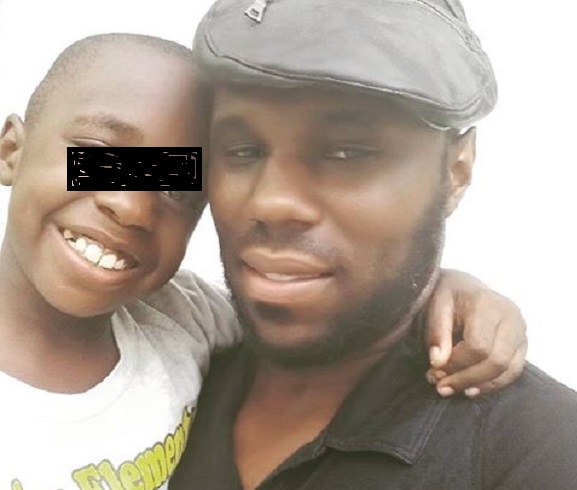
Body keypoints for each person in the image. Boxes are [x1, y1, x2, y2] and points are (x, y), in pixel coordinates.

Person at [0, 32, 525, 490]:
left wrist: (449, 290)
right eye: (99, 157)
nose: (132, 207)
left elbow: (330, 309)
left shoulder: (183, 320)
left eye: (179, 187)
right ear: (10, 151)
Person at [169, 0, 577, 489]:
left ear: (456, 170)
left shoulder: (545, 453)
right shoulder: (163, 350)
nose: (272, 202)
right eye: (242, 151)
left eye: (346, 152)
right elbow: (99, 180)